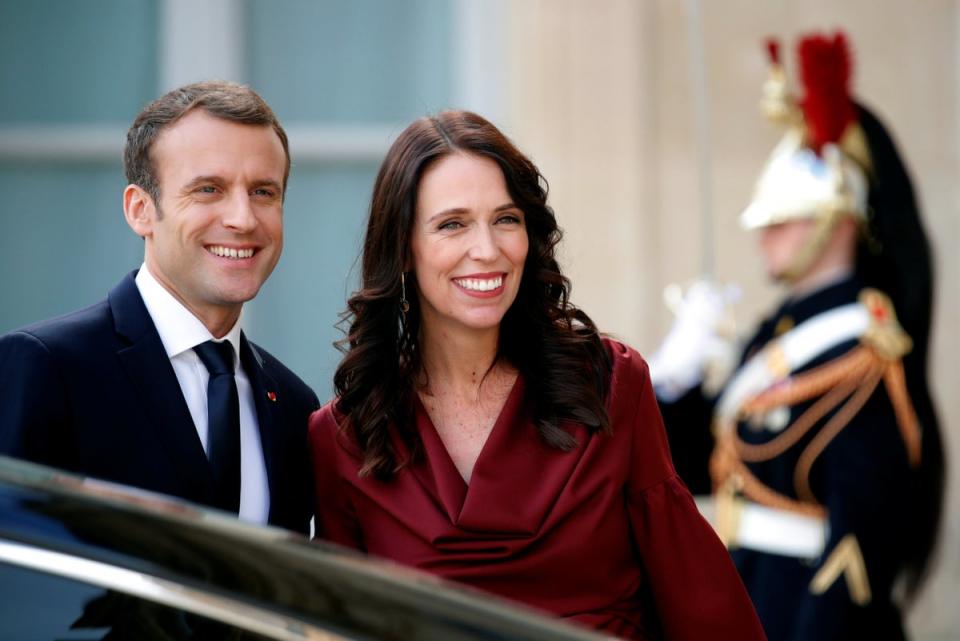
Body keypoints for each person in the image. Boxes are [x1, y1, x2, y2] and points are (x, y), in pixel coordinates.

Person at [309, 110, 765, 640]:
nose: (488, 249)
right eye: (452, 224)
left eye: (506, 218)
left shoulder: (613, 386)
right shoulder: (345, 437)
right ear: (403, 249)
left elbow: (700, 602)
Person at [652, 33, 944, 641]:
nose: (765, 237)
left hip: (804, 615)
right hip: (744, 595)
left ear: (836, 220)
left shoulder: (864, 352)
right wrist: (673, 377)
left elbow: (855, 543)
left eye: (782, 222)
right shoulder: (779, 335)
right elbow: (695, 467)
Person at [0, 81, 318, 534]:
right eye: (209, 189)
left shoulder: (291, 404)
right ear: (140, 210)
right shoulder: (48, 367)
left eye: (264, 192)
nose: (243, 219)